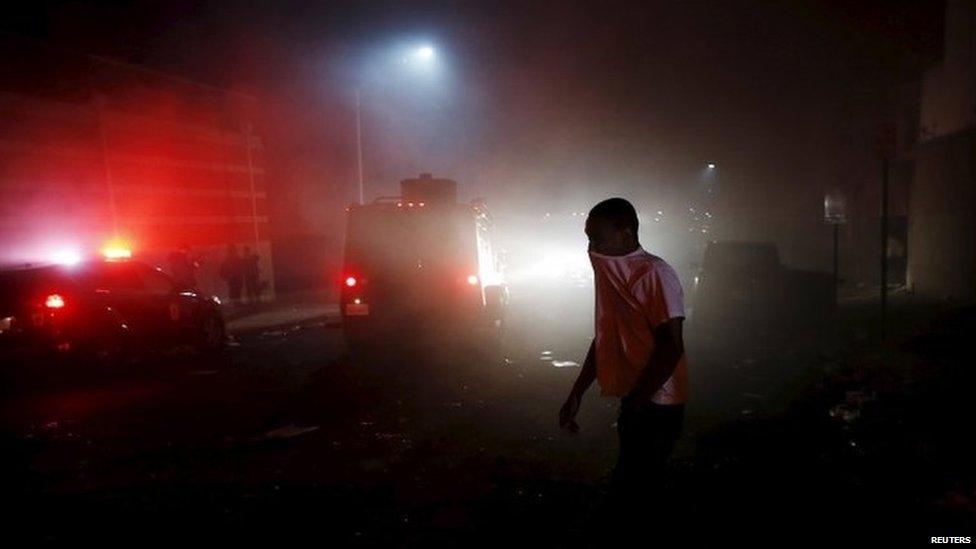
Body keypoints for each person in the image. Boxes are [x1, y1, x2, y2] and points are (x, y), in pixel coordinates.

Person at [558, 197, 688, 532]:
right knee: (636, 483)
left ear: (626, 234)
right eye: (588, 238)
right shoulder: (617, 273)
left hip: (659, 403)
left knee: (636, 486)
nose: (592, 246)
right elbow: (606, 337)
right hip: (639, 400)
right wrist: (577, 393)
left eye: (598, 237)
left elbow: (671, 346)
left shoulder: (653, 272)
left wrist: (639, 401)